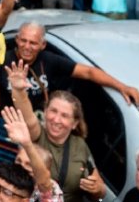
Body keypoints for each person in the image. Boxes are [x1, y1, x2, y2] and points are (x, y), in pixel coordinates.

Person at [8, 61, 104, 202]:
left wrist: (98, 189)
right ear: (45, 112)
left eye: (64, 116)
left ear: (74, 123)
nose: (56, 119)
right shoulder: (36, 134)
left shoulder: (80, 145)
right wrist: (19, 91)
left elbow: (100, 189)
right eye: (53, 111)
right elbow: (27, 115)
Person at [4, 22, 139, 112]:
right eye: (23, 41)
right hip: (7, 126)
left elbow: (88, 72)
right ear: (16, 40)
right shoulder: (2, 60)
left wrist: (122, 87)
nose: (27, 47)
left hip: (37, 126)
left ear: (42, 45)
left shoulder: (48, 60)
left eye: (33, 43)